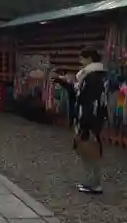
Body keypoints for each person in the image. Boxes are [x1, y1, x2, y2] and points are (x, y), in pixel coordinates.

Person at [54, 46, 108, 194]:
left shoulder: (93, 77)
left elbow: (91, 102)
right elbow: (79, 94)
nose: (80, 61)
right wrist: (65, 84)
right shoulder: (87, 75)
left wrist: (86, 124)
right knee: (86, 150)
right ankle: (90, 181)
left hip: (90, 119)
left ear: (90, 58)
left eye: (82, 58)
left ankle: (94, 184)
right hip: (86, 117)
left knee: (91, 151)